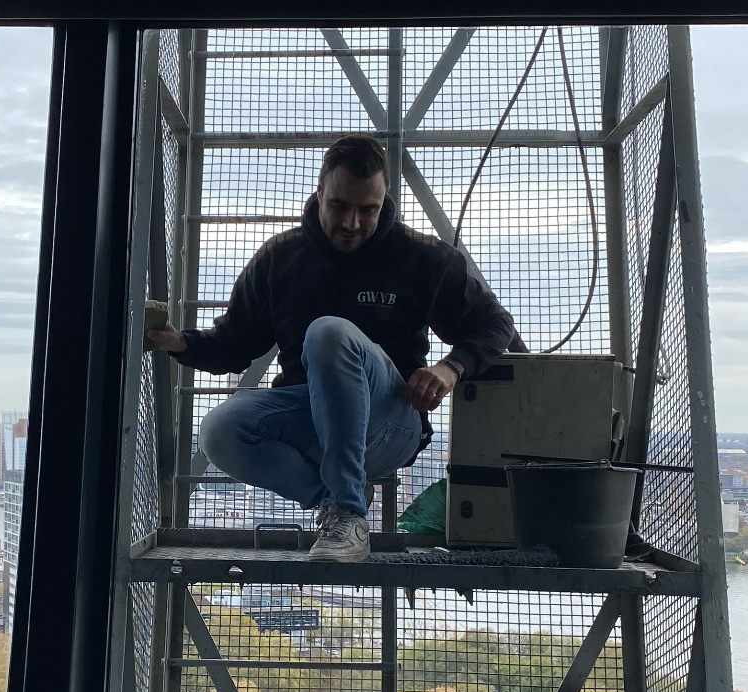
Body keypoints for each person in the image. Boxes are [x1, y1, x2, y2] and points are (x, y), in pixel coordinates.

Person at [144, 135, 521, 563]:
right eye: (340, 207)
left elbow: (496, 325)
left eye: (368, 210)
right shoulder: (281, 259)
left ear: (384, 202)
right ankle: (340, 495)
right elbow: (234, 345)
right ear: (319, 193)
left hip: (390, 421)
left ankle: (346, 512)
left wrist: (451, 367)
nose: (352, 224)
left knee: (327, 333)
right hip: (311, 416)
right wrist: (179, 342)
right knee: (219, 432)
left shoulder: (422, 257)